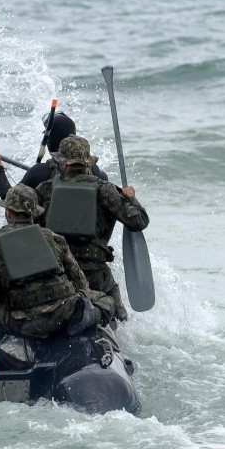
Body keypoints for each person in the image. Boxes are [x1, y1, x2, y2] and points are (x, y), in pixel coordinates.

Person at [0, 184, 115, 339]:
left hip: (24, 323)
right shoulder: (55, 238)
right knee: (106, 299)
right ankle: (86, 318)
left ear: (8, 212)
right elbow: (81, 283)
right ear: (34, 213)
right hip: (63, 313)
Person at [35, 135, 149, 322]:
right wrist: (130, 198)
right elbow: (139, 221)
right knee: (117, 311)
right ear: (87, 163)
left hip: (56, 272)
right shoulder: (106, 190)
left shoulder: (45, 189)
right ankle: (115, 329)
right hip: (95, 274)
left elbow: (29, 227)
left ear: (63, 164)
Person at [0, 112, 109, 199]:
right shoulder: (99, 175)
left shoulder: (39, 173)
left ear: (50, 139)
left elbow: (8, 198)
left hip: (49, 238)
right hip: (90, 238)